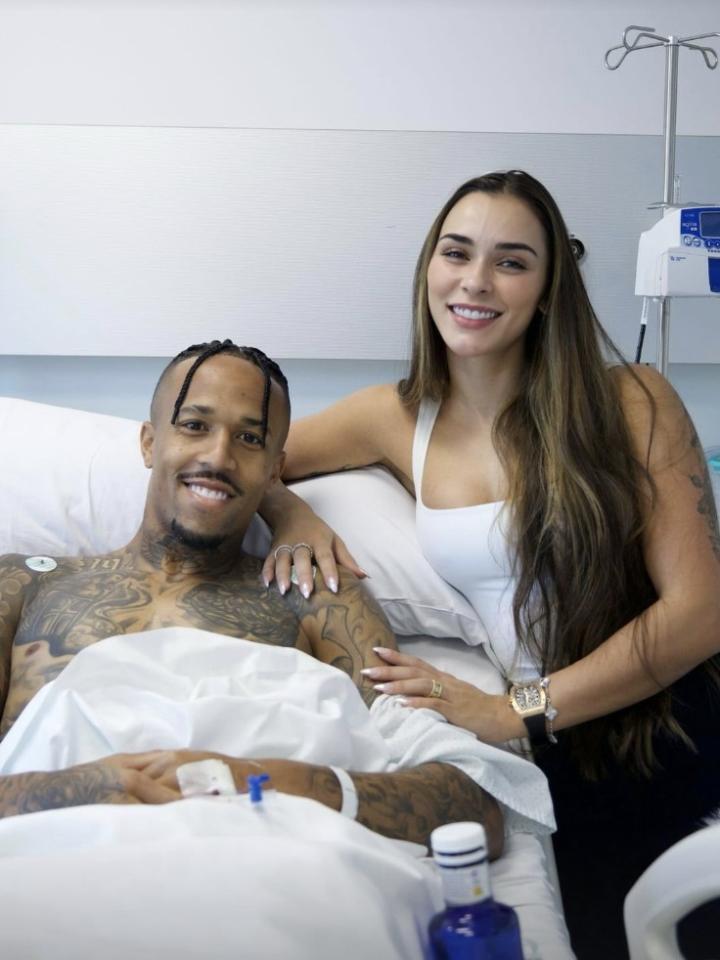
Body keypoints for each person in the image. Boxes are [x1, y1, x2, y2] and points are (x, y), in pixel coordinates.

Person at [258, 171, 720, 958]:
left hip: (666, 721)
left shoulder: (632, 400)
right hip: (558, 759)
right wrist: (293, 512)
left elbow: (700, 614)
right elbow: (251, 462)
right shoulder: (393, 415)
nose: (475, 281)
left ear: (546, 291)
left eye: (511, 261)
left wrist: (515, 711)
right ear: (428, 270)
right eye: (457, 253)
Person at [0, 338, 508, 856]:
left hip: (256, 858)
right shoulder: (23, 587)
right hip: (46, 862)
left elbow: (473, 808)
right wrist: (82, 789)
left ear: (274, 470)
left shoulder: (315, 601)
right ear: (149, 443)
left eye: (249, 438)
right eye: (194, 425)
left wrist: (260, 782)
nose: (218, 457)